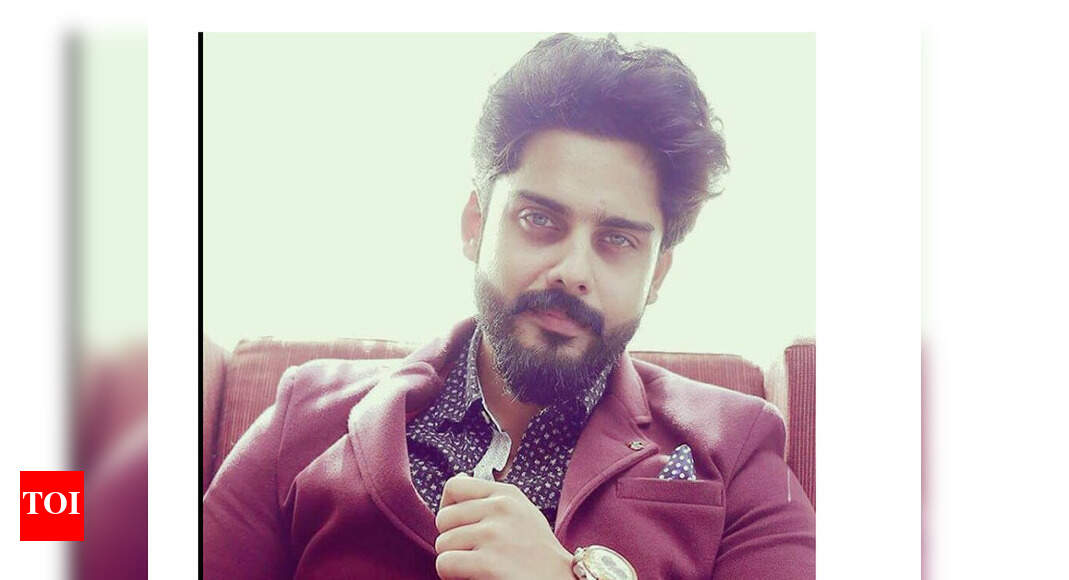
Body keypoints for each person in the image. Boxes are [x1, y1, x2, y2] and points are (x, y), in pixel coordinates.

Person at [203, 33, 816, 579]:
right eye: (539, 219)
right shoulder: (306, 414)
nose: (573, 271)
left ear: (656, 274)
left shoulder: (734, 446)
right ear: (476, 224)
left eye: (617, 240)